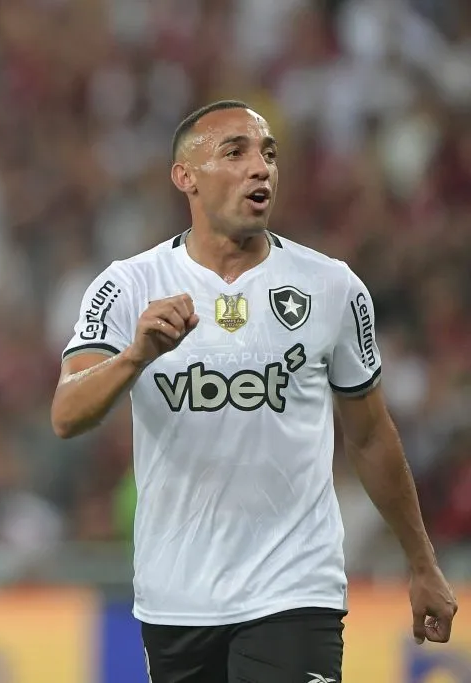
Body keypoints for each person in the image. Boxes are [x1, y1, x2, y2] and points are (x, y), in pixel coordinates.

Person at [51, 99, 458, 682]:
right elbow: (67, 413)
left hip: (295, 587)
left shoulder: (332, 287)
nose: (260, 167)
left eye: (268, 153)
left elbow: (370, 435)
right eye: (234, 152)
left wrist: (421, 563)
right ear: (185, 177)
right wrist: (137, 356)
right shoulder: (128, 285)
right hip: (176, 597)